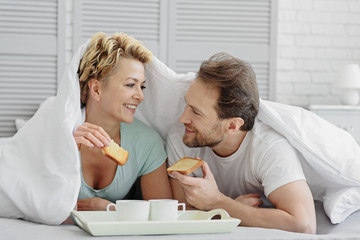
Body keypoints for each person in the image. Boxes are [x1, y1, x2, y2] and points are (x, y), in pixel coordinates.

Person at [166, 52, 316, 233]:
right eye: (187, 105)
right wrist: (226, 211)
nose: (183, 118)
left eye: (196, 112)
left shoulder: (268, 148)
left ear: (232, 126)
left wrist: (218, 202)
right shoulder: (181, 138)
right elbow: (180, 214)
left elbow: (304, 225)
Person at [73, 32, 172, 211]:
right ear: (96, 89)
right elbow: (33, 201)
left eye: (141, 86)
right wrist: (81, 207)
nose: (140, 96)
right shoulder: (63, 134)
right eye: (130, 85)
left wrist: (111, 211)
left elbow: (161, 214)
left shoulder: (146, 142)